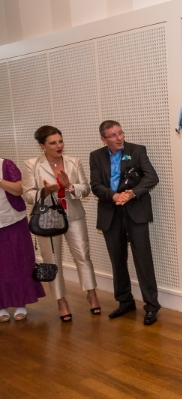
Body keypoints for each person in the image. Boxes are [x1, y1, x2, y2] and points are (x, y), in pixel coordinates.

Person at [23, 126, 101, 322]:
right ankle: (61, 301)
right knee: (52, 260)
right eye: (53, 143)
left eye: (60, 141)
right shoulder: (31, 165)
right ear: (42, 146)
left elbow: (86, 189)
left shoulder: (74, 162)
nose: (59, 146)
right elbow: (28, 195)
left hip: (74, 215)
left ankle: (92, 295)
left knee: (83, 256)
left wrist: (69, 186)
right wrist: (45, 191)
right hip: (47, 219)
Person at [89, 121, 161, 325]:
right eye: (113, 135)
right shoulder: (96, 156)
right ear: (103, 139)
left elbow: (151, 177)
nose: (119, 138)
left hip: (135, 211)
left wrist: (132, 193)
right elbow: (96, 185)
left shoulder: (136, 151)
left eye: (120, 133)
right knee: (117, 260)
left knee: (143, 260)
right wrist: (114, 196)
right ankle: (125, 301)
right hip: (110, 212)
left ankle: (151, 306)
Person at [0, 157, 46, 322]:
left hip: (13, 221)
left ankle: (21, 303)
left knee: (19, 262)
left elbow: (19, 190)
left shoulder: (6, 164)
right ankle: (1, 305)